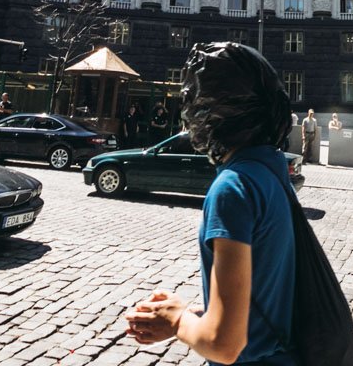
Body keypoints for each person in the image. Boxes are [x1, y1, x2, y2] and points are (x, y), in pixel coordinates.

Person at [125, 42, 296, 365]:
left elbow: (224, 344)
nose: (190, 111)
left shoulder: (232, 188)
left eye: (195, 101)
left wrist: (177, 320)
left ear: (214, 109)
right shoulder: (271, 171)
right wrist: (194, 315)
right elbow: (263, 295)